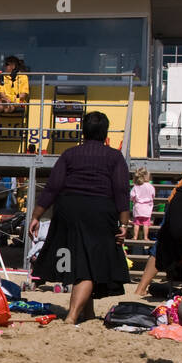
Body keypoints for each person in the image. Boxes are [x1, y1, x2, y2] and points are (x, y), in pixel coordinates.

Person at [28, 111, 131, 325]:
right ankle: (72, 316)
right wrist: (124, 223)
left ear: (83, 132)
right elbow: (121, 190)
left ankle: (88, 314)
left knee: (80, 261)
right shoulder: (114, 157)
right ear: (105, 133)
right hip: (99, 210)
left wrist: (36, 215)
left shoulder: (69, 155)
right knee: (90, 264)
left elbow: (52, 187)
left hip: (69, 209)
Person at [129, 167, 156, 241]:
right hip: (147, 207)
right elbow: (153, 195)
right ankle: (146, 237)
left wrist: (134, 200)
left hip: (138, 206)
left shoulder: (136, 186)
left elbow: (132, 196)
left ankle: (135, 237)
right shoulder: (150, 186)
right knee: (146, 223)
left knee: (136, 223)